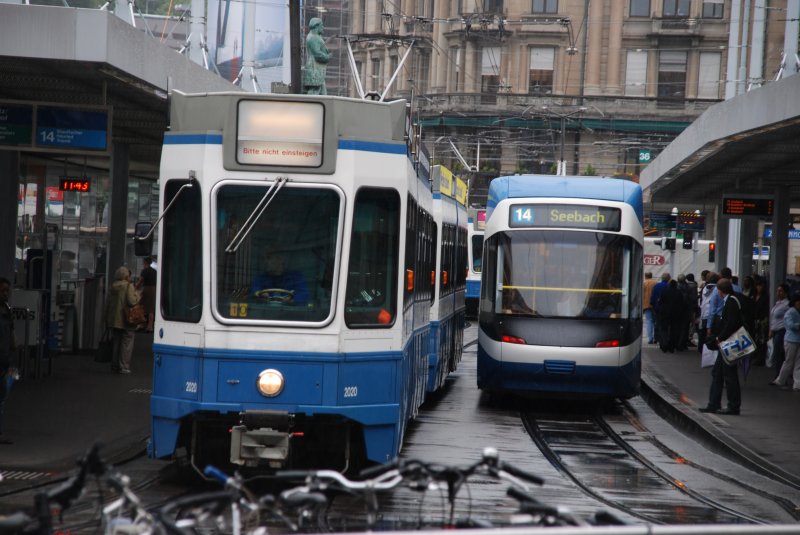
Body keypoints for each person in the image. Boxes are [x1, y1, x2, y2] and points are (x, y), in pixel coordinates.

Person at [700, 278, 743, 415]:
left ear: (719, 291)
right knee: (717, 373)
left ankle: (733, 406)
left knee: (730, 375)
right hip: (726, 342)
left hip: (729, 343)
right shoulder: (730, 300)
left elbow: (731, 323)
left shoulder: (731, 302)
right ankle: (713, 403)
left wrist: (720, 337)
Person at [105, 266, 140, 374]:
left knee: (116, 342)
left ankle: (114, 364)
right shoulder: (128, 286)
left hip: (114, 319)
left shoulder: (113, 286)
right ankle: (124, 366)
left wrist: (106, 318)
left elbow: (108, 303)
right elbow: (131, 301)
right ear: (126, 276)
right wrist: (137, 296)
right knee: (127, 342)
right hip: (126, 318)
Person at [771, 292, 800, 391]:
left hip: (795, 339)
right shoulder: (790, 312)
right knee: (789, 361)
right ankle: (781, 380)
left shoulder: (795, 312)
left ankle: (797, 383)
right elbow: (790, 325)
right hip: (791, 339)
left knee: (797, 362)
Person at [0, 277, 15, 444]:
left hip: (5, 359)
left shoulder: (6, 309)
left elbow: (10, 333)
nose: (6, 294)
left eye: (7, 291)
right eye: (2, 290)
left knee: (2, 396)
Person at [767, 283, 790, 379]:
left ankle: (780, 375)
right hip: (775, 330)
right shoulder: (777, 304)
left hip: (781, 330)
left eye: (780, 291)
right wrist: (771, 330)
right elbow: (773, 318)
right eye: (777, 291)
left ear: (785, 293)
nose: (778, 293)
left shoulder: (787, 305)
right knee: (776, 353)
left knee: (778, 353)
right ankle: (779, 374)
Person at [303, 18, 330, 95]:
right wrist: (327, 57)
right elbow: (317, 54)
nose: (323, 28)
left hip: (318, 69)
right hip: (315, 68)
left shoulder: (315, 36)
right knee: (314, 91)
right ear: (316, 26)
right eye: (322, 25)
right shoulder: (313, 37)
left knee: (322, 93)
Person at [136, 256, 157, 333]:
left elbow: (141, 281)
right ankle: (150, 326)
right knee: (151, 309)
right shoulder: (154, 271)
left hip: (146, 289)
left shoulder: (144, 271)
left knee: (141, 306)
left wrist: (135, 288)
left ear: (145, 262)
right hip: (154, 289)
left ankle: (142, 324)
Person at [643, 272, 657, 344]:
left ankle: (650, 338)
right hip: (654, 305)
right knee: (655, 321)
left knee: (649, 321)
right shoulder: (655, 283)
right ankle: (655, 338)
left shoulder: (644, 283)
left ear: (645, 276)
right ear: (651, 276)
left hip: (646, 305)